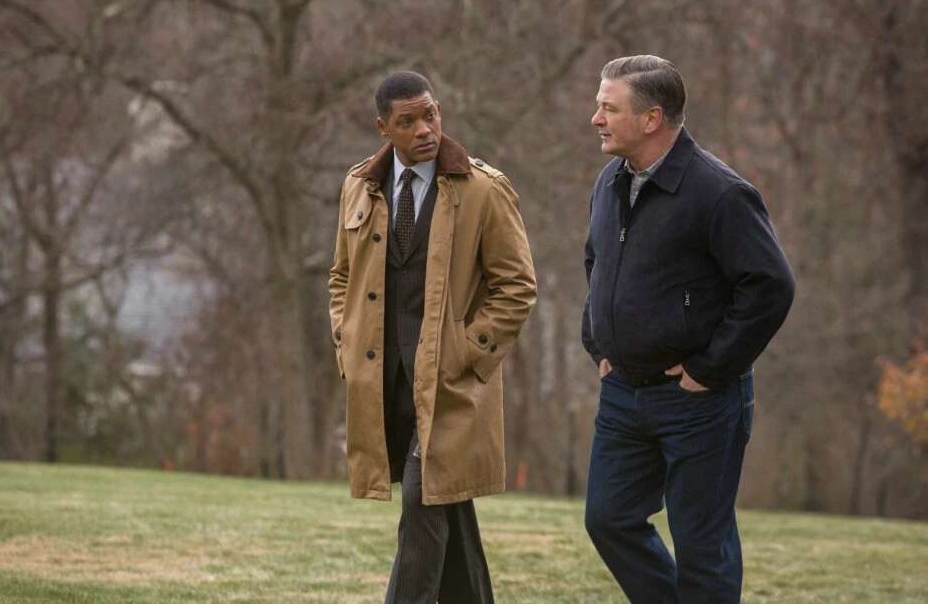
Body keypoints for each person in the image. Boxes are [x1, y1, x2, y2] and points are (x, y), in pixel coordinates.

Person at [581, 55, 795, 603]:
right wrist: (597, 342)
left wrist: (709, 368)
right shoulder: (611, 180)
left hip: (700, 400)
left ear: (651, 118)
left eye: (609, 108)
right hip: (623, 393)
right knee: (608, 519)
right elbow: (596, 262)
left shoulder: (720, 192)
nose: (596, 119)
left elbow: (770, 286)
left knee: (703, 548)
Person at [328, 71, 536, 604]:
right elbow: (341, 277)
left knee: (423, 502)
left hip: (449, 384)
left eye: (431, 114)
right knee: (446, 500)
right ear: (383, 128)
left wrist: (468, 352)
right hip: (382, 381)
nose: (424, 129)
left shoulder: (484, 189)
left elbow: (517, 287)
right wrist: (346, 340)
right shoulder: (359, 186)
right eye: (407, 121)